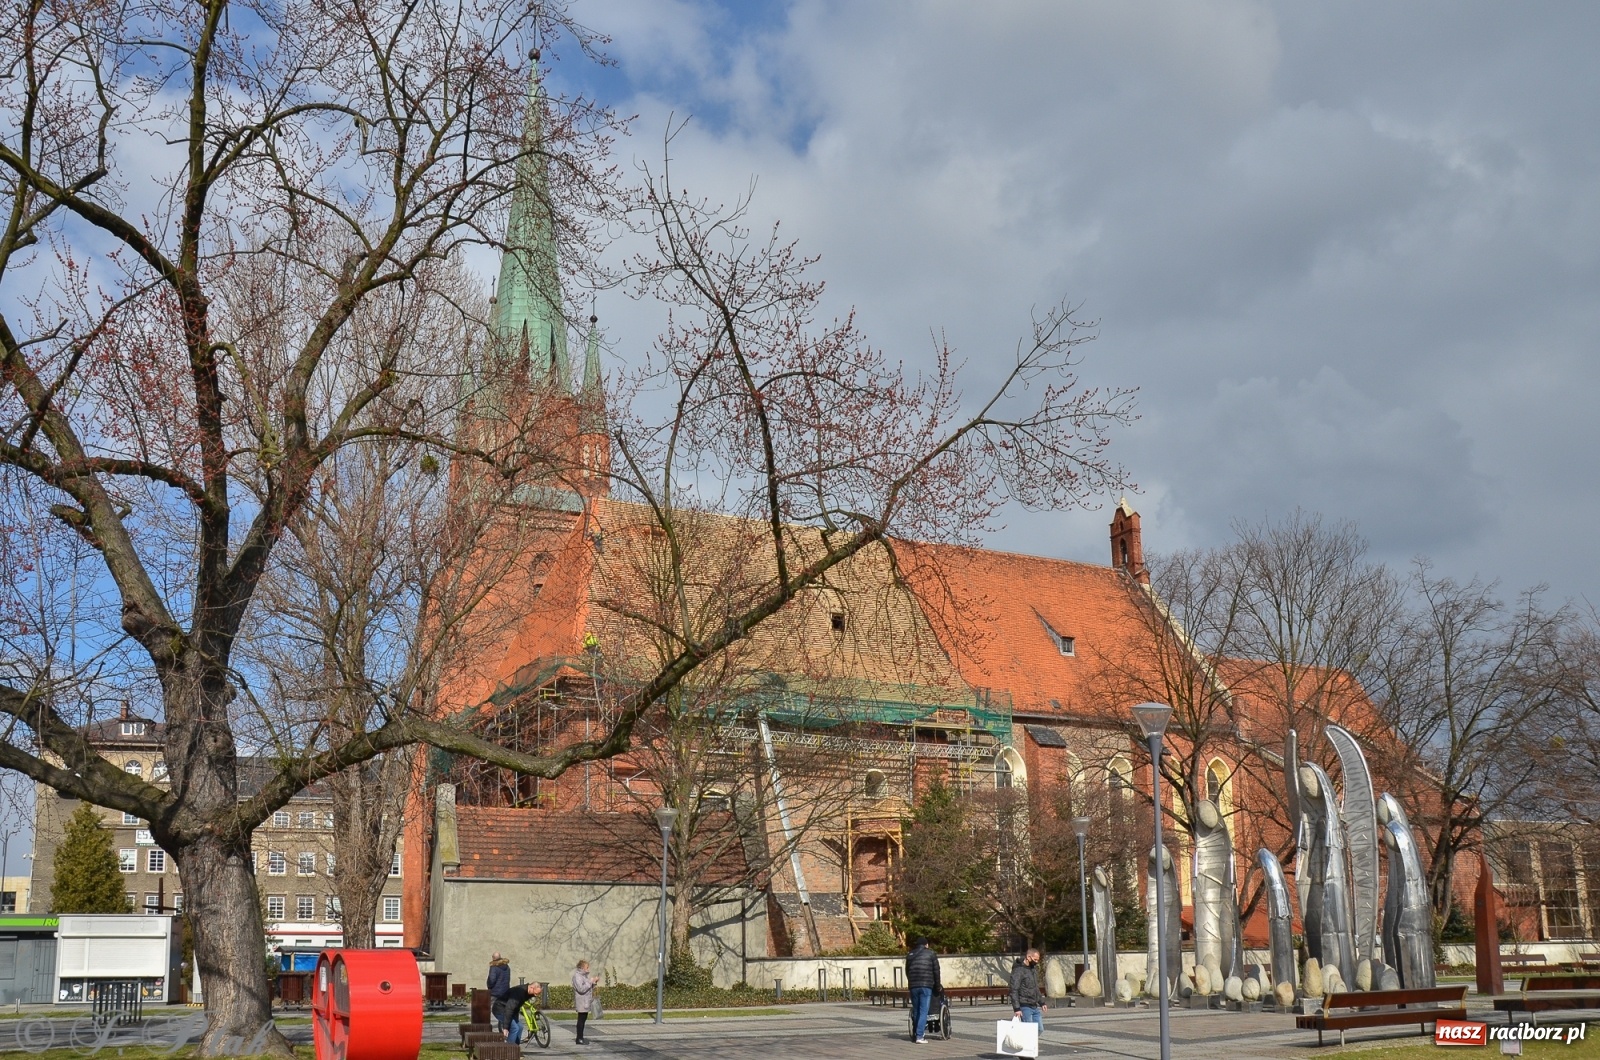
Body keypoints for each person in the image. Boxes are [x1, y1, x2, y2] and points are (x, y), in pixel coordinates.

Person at [905, 936, 941, 1044]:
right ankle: (920, 1036)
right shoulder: (931, 954)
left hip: (913, 986)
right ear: (926, 944)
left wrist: (911, 982)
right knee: (924, 1010)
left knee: (916, 1010)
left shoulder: (910, 955)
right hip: (926, 985)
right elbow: (936, 971)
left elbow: (907, 971)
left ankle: (916, 1033)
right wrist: (937, 986)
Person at [1010, 947, 1047, 1027]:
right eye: (1035, 959)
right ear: (1028, 957)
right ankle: (1024, 1039)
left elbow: (1035, 987)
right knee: (1028, 1030)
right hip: (1024, 1005)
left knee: (1040, 1029)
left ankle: (1028, 1039)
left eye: (1038, 960)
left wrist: (1042, 1002)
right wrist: (1017, 1008)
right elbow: (1014, 990)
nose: (1036, 962)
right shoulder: (1018, 970)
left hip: (1034, 1004)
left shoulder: (1032, 969)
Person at [572, 959, 600, 1045]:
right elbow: (581, 989)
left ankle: (581, 1037)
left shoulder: (583, 976)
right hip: (582, 1001)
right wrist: (590, 981)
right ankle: (579, 1038)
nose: (588, 969)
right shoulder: (577, 976)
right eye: (587, 967)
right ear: (582, 968)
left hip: (586, 1000)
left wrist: (594, 983)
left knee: (583, 1020)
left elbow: (587, 987)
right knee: (581, 1020)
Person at [486, 953, 512, 1033]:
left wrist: (489, 986)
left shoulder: (494, 967)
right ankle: (506, 1027)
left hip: (495, 992)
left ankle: (486, 1027)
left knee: (488, 1009)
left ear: (493, 958)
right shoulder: (507, 967)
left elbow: (492, 980)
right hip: (505, 992)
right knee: (504, 1010)